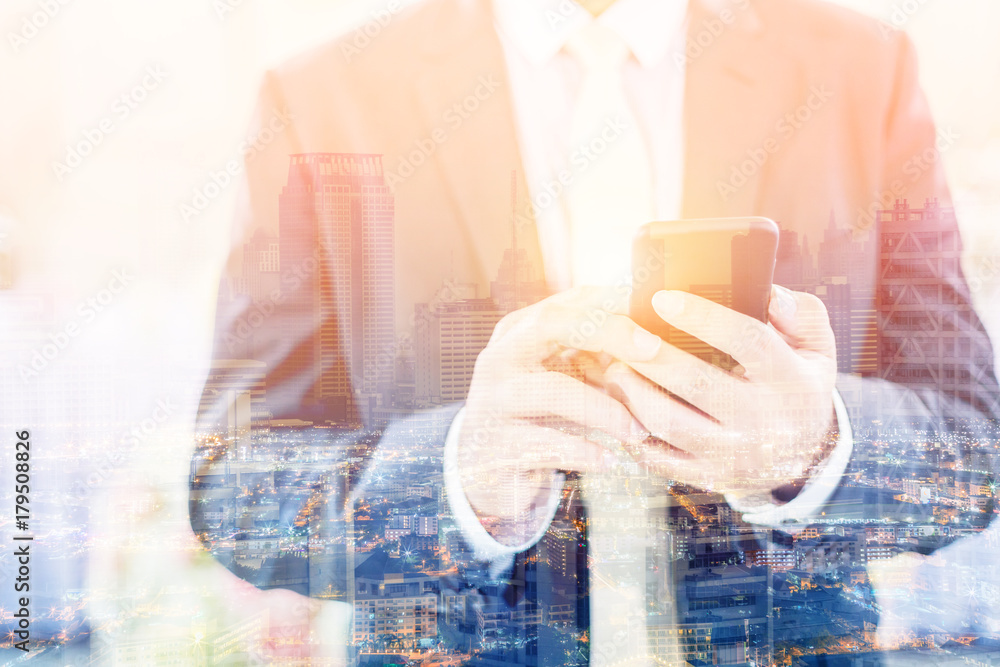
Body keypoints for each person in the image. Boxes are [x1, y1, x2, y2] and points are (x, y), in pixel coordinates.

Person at [189, 0, 1000, 662]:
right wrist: (460, 475)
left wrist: (815, 447)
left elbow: (975, 445)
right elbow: (235, 484)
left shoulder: (861, 71)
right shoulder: (325, 97)